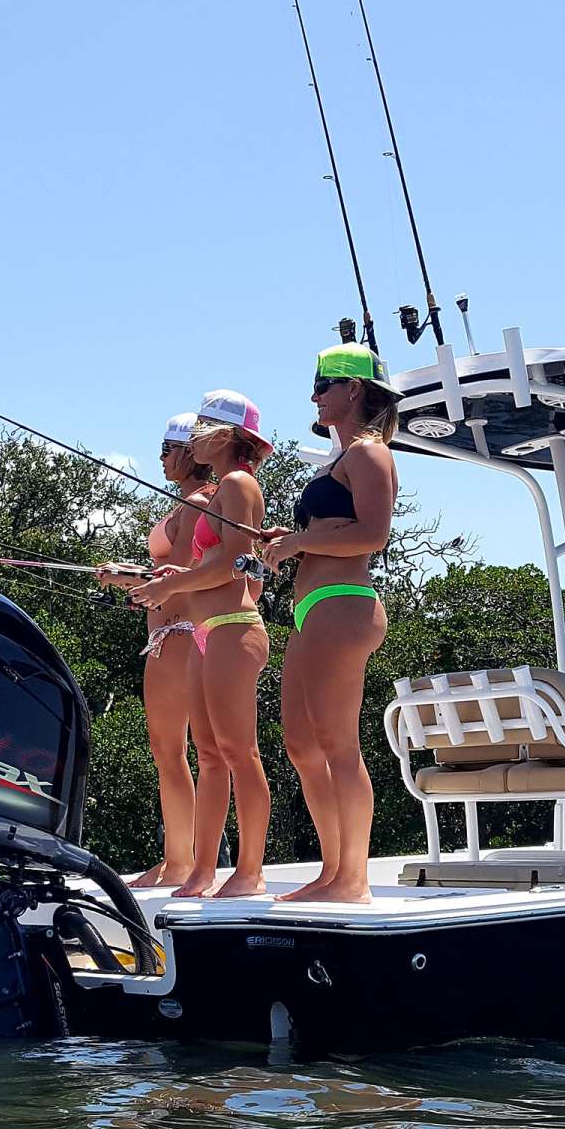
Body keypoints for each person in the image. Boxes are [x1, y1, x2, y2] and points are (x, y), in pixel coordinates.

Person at [262, 344, 399, 903]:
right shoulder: (337, 461)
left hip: (344, 603)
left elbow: (373, 534)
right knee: (300, 742)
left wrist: (299, 541)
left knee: (339, 746)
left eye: (324, 384)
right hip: (310, 609)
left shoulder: (370, 454)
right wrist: (287, 543)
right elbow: (327, 532)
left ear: (355, 390)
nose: (314, 395)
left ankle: (353, 879)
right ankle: (332, 870)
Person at [130, 391, 272, 899]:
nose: (193, 437)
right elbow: (221, 564)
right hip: (209, 630)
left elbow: (235, 564)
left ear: (230, 436)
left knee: (240, 753)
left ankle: (250, 870)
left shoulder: (236, 483)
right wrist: (168, 578)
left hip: (233, 625)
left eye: (204, 426)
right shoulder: (222, 491)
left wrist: (169, 585)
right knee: (211, 755)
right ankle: (201, 871)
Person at [94, 414, 220, 889]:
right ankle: (176, 858)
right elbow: (167, 573)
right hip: (164, 637)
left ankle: (184, 862)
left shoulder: (203, 502)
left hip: (185, 633)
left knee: (189, 750)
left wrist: (132, 579)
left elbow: (189, 575)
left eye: (167, 449)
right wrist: (136, 580)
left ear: (190, 452)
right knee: (166, 749)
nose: (161, 458)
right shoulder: (181, 503)